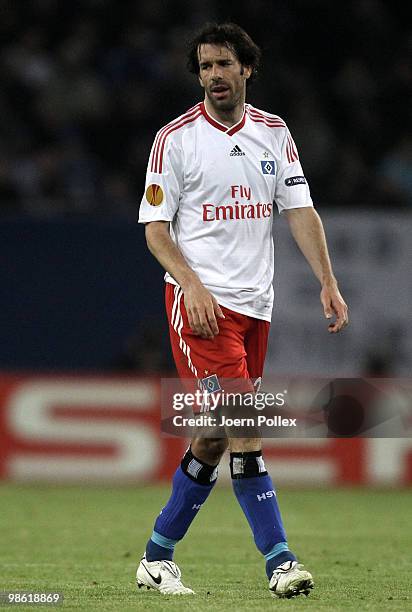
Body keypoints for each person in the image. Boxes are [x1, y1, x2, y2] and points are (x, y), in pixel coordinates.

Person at [137, 22, 348, 599]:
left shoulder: (274, 135)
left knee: (211, 437)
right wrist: (192, 284)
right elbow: (156, 230)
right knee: (247, 424)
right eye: (205, 66)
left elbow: (300, 210)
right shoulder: (175, 139)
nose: (214, 76)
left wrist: (328, 281)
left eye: (224, 64)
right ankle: (280, 562)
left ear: (247, 68)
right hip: (201, 308)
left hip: (257, 307)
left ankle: (157, 557)